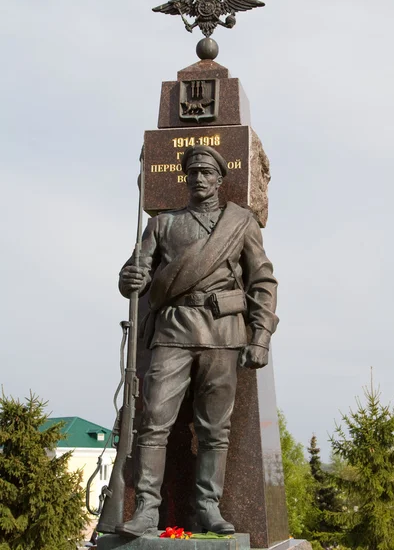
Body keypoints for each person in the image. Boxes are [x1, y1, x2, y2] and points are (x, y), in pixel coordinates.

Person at [115, 145, 278, 538]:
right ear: (185, 179)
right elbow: (133, 271)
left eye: (207, 174)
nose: (200, 179)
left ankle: (208, 506)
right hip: (173, 331)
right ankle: (147, 510)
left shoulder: (241, 224)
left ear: (220, 180)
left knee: (214, 429)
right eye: (193, 174)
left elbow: (262, 281)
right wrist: (129, 279)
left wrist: (261, 335)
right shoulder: (162, 225)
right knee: (154, 422)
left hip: (224, 332)